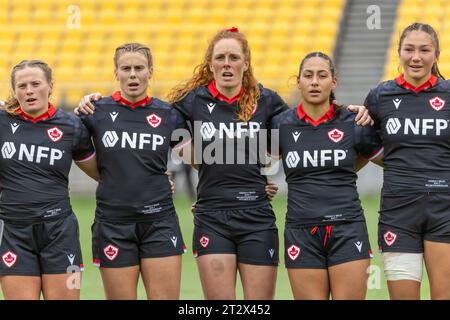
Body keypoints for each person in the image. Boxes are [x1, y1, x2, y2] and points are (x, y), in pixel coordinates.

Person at [77, 28, 371, 300]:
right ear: (210, 64)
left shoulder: (267, 101)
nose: (227, 64)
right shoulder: (190, 102)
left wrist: (347, 112)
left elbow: (308, 128)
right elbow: (148, 124)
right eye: (220, 58)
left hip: (257, 215)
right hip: (211, 215)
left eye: (234, 57)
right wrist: (91, 102)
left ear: (246, 63)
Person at [77, 43, 189, 300]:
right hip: (113, 223)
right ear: (116, 73)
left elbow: (199, 158)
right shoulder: (95, 111)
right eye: (126, 68)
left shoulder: (168, 114)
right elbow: (72, 151)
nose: (133, 74)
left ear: (151, 71)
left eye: (139, 68)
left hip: (159, 222)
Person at [271, 52, 383, 299]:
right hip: (301, 231)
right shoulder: (281, 124)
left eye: (322, 75)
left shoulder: (354, 121)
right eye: (308, 75)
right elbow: (249, 164)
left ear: (333, 82)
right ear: (298, 81)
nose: (314, 81)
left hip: (347, 228)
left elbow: (390, 159)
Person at [364, 22, 450, 300]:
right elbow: (364, 140)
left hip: (445, 208)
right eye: (409, 49)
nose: (416, 57)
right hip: (398, 210)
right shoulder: (380, 96)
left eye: (424, 50)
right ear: (398, 52)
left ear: (436, 54)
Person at [0, 60, 98, 300]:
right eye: (22, 86)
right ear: (14, 91)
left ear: (50, 86)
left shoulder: (72, 126)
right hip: (14, 231)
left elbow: (102, 174)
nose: (29, 90)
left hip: (60, 232)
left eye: (36, 83)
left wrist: (153, 181)